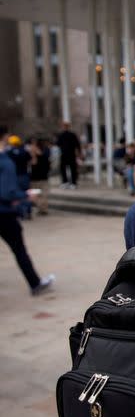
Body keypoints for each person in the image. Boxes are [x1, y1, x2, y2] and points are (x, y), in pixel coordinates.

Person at [0, 126, 55, 295]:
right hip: (4, 213)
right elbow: (7, 192)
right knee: (19, 249)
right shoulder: (5, 161)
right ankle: (35, 283)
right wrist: (25, 195)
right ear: (5, 137)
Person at [55, 121, 82, 188]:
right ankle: (65, 182)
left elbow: (77, 145)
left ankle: (73, 182)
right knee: (63, 169)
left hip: (71, 154)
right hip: (64, 154)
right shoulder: (61, 135)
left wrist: (79, 153)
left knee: (72, 169)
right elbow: (58, 144)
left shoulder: (72, 135)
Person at [29, 138, 51, 215]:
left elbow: (33, 163)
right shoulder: (45, 154)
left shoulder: (39, 154)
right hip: (40, 178)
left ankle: (42, 209)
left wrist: (33, 154)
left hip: (38, 178)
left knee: (40, 195)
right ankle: (42, 209)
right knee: (41, 195)